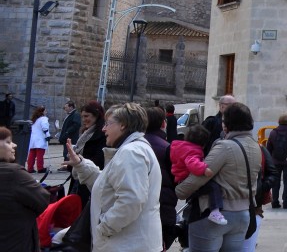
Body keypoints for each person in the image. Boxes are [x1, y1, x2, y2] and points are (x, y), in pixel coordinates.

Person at [66, 102, 162, 251]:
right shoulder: (133, 149)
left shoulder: (131, 152)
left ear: (122, 125)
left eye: (108, 123)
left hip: (126, 245)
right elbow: (107, 185)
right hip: (127, 243)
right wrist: (81, 164)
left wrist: (104, 228)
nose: (104, 129)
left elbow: (131, 200)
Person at [176, 102, 263, 252]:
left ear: (227, 124)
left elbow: (200, 175)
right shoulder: (256, 146)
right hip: (242, 214)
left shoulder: (225, 146)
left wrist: (179, 191)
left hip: (216, 213)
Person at [0, 125, 50, 252]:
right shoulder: (14, 173)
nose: (14, 145)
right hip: (16, 242)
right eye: (8, 142)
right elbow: (42, 199)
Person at [171, 125, 228, 224]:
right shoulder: (193, 150)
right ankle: (215, 211)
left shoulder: (182, 147)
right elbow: (191, 162)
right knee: (214, 187)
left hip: (181, 179)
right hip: (186, 178)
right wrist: (204, 169)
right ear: (203, 143)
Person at [143, 106, 180, 251]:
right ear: (163, 123)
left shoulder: (133, 144)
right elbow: (175, 177)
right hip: (163, 203)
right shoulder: (167, 147)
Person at [65, 100, 106, 203]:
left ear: (96, 115)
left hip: (90, 180)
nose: (84, 119)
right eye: (82, 116)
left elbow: (99, 159)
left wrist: (78, 161)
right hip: (78, 178)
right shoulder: (86, 133)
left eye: (86, 116)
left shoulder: (102, 134)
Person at [267, 113, 287, 208]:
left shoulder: (273, 132)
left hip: (275, 161)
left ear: (279, 121)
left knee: (275, 182)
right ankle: (286, 202)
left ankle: (275, 201)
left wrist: (270, 160)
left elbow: (269, 148)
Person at [58, 100, 82, 165]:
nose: (65, 109)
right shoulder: (70, 115)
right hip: (67, 138)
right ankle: (66, 165)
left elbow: (76, 125)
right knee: (66, 152)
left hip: (71, 138)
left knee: (69, 152)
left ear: (71, 107)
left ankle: (68, 165)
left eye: (66, 107)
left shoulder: (75, 114)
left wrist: (67, 132)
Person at [26, 106, 48, 173]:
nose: (46, 112)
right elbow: (45, 127)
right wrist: (48, 135)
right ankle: (40, 168)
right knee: (40, 154)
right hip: (40, 138)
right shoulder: (43, 118)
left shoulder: (34, 119)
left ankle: (30, 168)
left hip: (33, 139)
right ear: (42, 112)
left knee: (32, 154)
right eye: (45, 111)